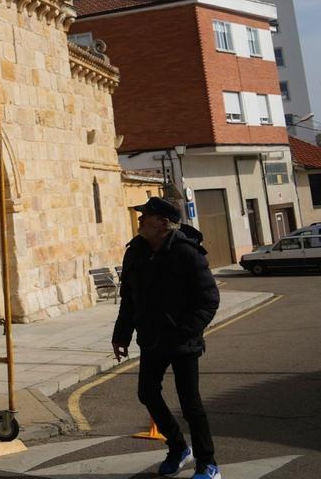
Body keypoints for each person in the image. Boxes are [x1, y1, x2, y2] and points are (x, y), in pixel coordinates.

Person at [112, 197, 222, 479]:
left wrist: (184, 331)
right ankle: (177, 447)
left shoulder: (188, 254)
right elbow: (129, 299)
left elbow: (208, 300)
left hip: (183, 342)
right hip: (152, 340)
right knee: (147, 393)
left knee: (191, 405)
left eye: (145, 216)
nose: (139, 220)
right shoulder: (135, 252)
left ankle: (207, 463)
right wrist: (121, 335)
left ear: (162, 223)